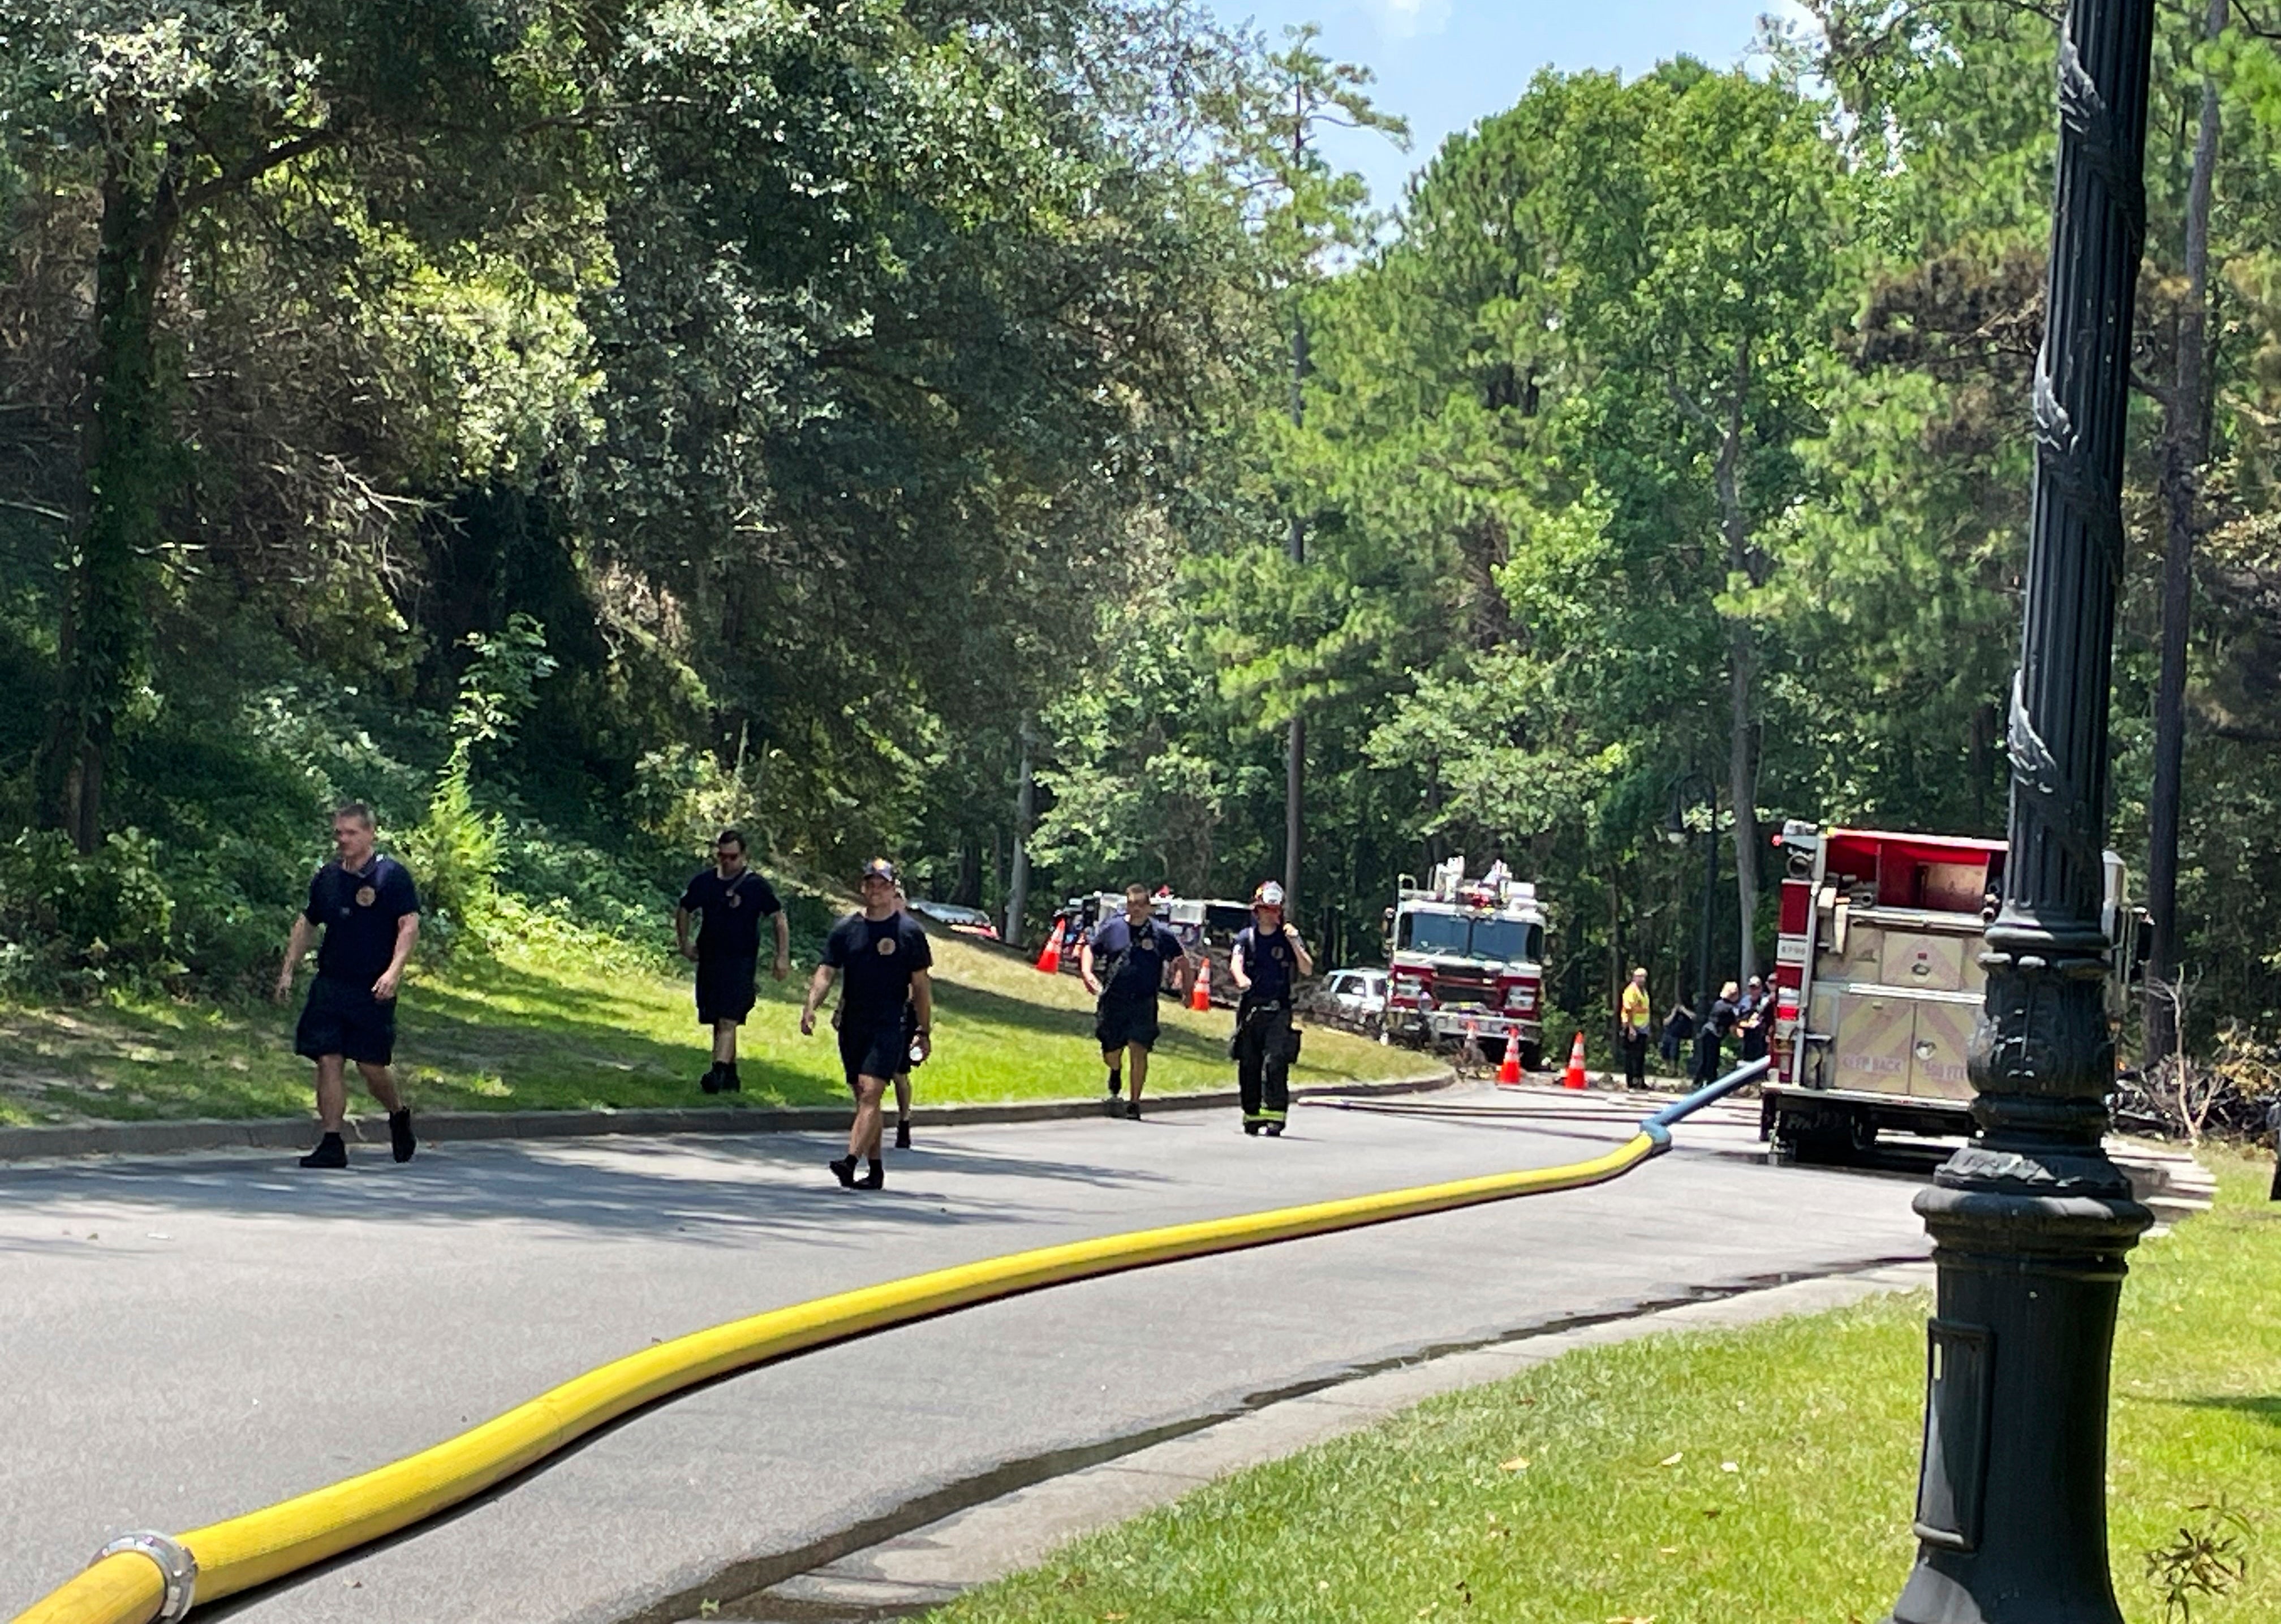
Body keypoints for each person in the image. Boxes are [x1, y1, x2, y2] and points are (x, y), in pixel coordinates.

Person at [272, 803, 420, 1169]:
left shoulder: (391, 876)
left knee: (371, 1066)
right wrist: (289, 968)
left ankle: (398, 1113)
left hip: (372, 987)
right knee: (328, 1059)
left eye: (351, 833)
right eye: (339, 832)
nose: (343, 840)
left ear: (370, 833)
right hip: (331, 984)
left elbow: (409, 926)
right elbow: (307, 922)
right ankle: (332, 1141)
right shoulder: (328, 878)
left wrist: (394, 972)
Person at [800, 858, 932, 1191]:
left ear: (893, 889)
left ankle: (849, 1161)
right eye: (870, 884)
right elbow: (827, 971)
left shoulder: (909, 932)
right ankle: (875, 1171)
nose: (876, 890)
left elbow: (921, 986)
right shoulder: (847, 929)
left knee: (872, 1091)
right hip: (853, 1023)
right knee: (863, 1097)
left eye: (882, 884)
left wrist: (924, 1030)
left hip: (890, 1023)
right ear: (863, 887)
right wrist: (811, 1006)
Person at [675, 828, 789, 1093]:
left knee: (729, 1017)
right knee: (718, 1018)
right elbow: (685, 908)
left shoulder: (755, 886)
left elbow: (778, 918)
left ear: (744, 856)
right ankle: (731, 1074)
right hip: (710, 958)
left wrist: (781, 956)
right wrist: (684, 943)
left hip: (741, 961)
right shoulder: (705, 882)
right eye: (722, 857)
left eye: (733, 857)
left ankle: (716, 1074)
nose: (727, 862)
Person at [1080, 883, 1194, 1121]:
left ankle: (1134, 1103)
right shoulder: (1113, 928)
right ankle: (1115, 1070)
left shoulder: (1160, 934)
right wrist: (1088, 974)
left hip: (1143, 1001)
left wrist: (1188, 991)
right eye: (1132, 904)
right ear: (1127, 904)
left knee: (1139, 1048)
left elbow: (1183, 961)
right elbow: (1090, 950)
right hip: (1114, 999)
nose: (1137, 909)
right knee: (1111, 1050)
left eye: (1142, 904)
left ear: (1150, 907)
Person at [1228, 881, 1312, 1136]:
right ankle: (1252, 1115)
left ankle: (1276, 1114)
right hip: (1251, 1009)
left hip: (1279, 1009)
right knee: (1249, 1063)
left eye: (1275, 910)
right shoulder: (1246, 937)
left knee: (1275, 1062)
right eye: (1265, 909)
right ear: (1257, 911)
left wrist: (1296, 942)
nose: (1270, 914)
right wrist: (1242, 979)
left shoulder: (1287, 940)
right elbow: (1236, 963)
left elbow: (1307, 968)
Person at [1694, 979, 1740, 1086]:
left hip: (1707, 1031)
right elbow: (1734, 1028)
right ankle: (1711, 1081)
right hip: (1714, 1034)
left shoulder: (1718, 1004)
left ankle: (1698, 1080)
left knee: (1706, 1058)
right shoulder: (1730, 1009)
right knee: (1712, 1059)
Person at [1618, 966, 1652, 1090]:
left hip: (1643, 1027)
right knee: (1631, 1055)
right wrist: (1631, 1028)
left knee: (1640, 1056)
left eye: (1644, 977)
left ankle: (1640, 1080)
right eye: (1640, 977)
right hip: (1632, 1027)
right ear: (1634, 977)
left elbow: (1645, 1010)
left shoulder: (1644, 991)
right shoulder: (1631, 991)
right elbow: (1629, 1010)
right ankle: (1631, 1081)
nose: (1642, 979)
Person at [1737, 975, 1770, 1065]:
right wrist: (1746, 1025)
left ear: (1761, 988)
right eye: (1752, 988)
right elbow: (1738, 1021)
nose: (1754, 991)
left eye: (1756, 988)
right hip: (1748, 1037)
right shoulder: (1744, 1002)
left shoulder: (1766, 1001)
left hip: (1762, 1038)